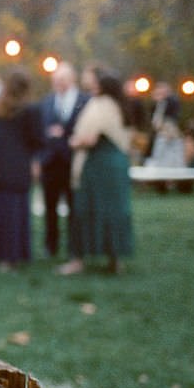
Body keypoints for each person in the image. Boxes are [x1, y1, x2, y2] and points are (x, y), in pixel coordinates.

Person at [59, 71, 134, 275]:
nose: (93, 88)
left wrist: (73, 142)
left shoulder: (100, 106)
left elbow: (89, 138)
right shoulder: (122, 107)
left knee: (85, 208)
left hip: (98, 164)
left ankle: (77, 260)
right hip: (118, 164)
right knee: (115, 211)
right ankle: (115, 260)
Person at [0, 70, 44, 270]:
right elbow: (38, 139)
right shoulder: (31, 110)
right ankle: (20, 253)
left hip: (1, 165)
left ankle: (4, 256)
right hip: (20, 166)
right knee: (20, 211)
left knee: (3, 213)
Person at [38, 61, 89, 259]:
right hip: (50, 163)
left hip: (72, 161)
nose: (57, 83)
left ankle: (73, 246)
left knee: (74, 206)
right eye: (55, 80)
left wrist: (67, 135)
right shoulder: (47, 101)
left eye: (61, 79)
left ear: (71, 79)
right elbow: (40, 128)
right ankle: (51, 245)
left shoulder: (85, 100)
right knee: (50, 207)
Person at [145, 80, 180, 159]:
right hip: (155, 137)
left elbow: (171, 120)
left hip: (167, 135)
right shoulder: (154, 106)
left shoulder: (171, 102)